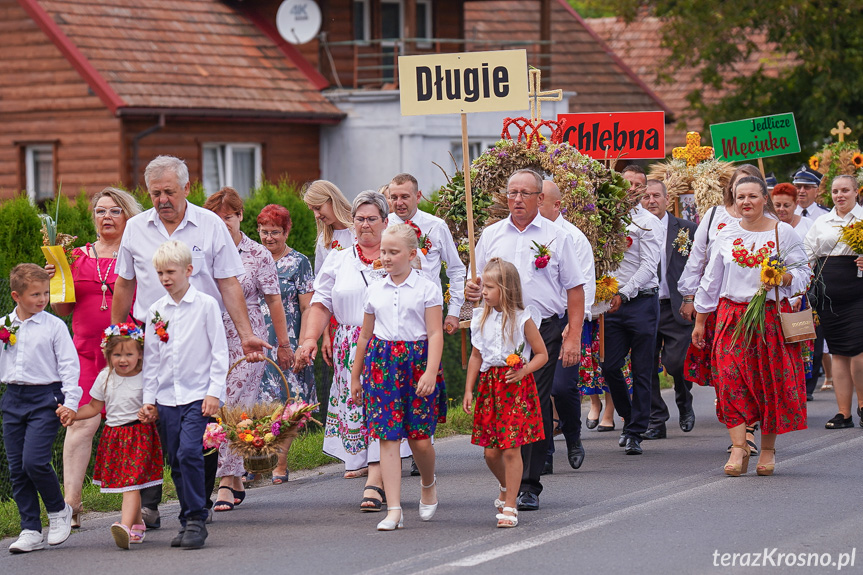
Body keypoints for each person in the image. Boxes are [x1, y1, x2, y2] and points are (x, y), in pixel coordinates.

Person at [112, 155, 268, 528]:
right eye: (154, 193)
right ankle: (152, 503)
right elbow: (124, 283)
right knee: (154, 417)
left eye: (168, 191)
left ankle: (197, 498)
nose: (162, 199)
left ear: (186, 188)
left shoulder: (210, 224)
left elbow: (229, 281)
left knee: (203, 415)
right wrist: (117, 335)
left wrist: (246, 334)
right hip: (154, 337)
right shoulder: (135, 228)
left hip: (202, 333)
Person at [465, 169, 586, 511]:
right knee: (503, 406)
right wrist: (471, 290)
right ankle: (509, 480)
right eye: (512, 193)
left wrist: (573, 334)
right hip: (499, 330)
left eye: (525, 193)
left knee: (533, 400)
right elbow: (476, 283)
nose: (517, 199)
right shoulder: (490, 234)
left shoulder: (557, 236)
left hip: (539, 327)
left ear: (539, 198)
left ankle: (529, 484)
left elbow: (575, 289)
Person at [296, 191, 411, 510]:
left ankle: (375, 482)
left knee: (383, 412)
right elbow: (320, 304)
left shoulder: (399, 256)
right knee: (361, 413)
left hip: (389, 345)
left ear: (385, 222)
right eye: (359, 219)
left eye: (372, 219)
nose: (364, 225)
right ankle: (382, 476)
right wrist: (309, 339)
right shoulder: (338, 259)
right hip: (350, 349)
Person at [692, 176, 809, 476]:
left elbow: (804, 274)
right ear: (733, 199)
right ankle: (739, 447)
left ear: (764, 198)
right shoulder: (726, 234)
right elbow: (711, 280)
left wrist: (782, 279)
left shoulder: (783, 233)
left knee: (769, 383)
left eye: (752, 196)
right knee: (729, 379)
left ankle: (767, 450)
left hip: (769, 316)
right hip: (731, 315)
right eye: (740, 196)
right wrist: (701, 320)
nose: (746, 202)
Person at [47, 186, 142, 529]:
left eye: (115, 211)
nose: (107, 217)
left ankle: (139, 506)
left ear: (128, 216)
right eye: (101, 211)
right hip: (85, 353)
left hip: (129, 354)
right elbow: (62, 308)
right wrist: (56, 278)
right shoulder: (75, 256)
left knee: (134, 425)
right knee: (81, 423)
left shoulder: (138, 254)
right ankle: (71, 504)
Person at [350, 224, 445, 531]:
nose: (386, 258)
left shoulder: (426, 288)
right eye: (384, 252)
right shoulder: (374, 288)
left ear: (412, 254)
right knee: (386, 438)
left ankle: (428, 483)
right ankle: (394, 509)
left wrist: (431, 370)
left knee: (419, 440)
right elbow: (364, 337)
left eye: (393, 252)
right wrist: (356, 377)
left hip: (417, 363)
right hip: (382, 364)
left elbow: (434, 332)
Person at [202, 188, 290, 510]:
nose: (222, 223)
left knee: (234, 404)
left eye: (228, 216)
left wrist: (283, 345)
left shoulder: (258, 254)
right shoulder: (203, 252)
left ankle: (225, 481)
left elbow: (274, 299)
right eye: (216, 218)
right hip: (210, 333)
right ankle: (236, 477)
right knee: (215, 402)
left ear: (239, 216)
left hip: (248, 335)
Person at [140, 240, 228, 549]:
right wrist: (148, 399)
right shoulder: (156, 311)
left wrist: (214, 392)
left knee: (191, 452)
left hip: (198, 396)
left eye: (171, 272)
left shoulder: (205, 305)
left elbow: (220, 352)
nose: (165, 278)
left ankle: (195, 519)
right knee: (176, 460)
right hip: (167, 399)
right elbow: (151, 359)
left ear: (188, 270)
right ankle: (186, 518)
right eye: (160, 273)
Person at [463, 258, 547, 528]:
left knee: (512, 449)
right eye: (483, 286)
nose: (483, 292)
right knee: (490, 452)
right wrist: (468, 389)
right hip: (490, 387)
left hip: (515, 386)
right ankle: (505, 484)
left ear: (506, 288)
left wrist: (524, 370)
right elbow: (476, 356)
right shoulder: (480, 318)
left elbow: (542, 354)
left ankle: (510, 504)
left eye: (489, 287)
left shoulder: (523, 318)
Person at [1, 264, 80, 553]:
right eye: (35, 294)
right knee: (17, 468)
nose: (42, 299)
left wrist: (70, 402)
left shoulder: (54, 326)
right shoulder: (4, 326)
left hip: (46, 398)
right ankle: (30, 529)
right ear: (16, 296)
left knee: (34, 461)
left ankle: (59, 511)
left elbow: (70, 367)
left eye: (45, 293)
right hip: (13, 399)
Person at [73, 322, 162, 549]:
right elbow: (93, 407)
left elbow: (158, 407)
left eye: (129, 354)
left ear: (140, 353)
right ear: (108, 354)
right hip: (114, 436)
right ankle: (138, 524)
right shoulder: (105, 377)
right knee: (129, 482)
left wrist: (151, 412)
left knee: (131, 484)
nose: (123, 360)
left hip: (139, 435)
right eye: (117, 355)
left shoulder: (147, 377)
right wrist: (73, 414)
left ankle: (123, 525)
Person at [602, 165, 662, 455]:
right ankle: (628, 416)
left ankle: (636, 431)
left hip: (641, 302)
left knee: (642, 368)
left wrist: (625, 293)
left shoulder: (649, 222)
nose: (634, 189)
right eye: (629, 183)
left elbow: (650, 265)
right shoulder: (604, 218)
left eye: (640, 185)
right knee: (609, 366)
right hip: (611, 302)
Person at [537, 180, 594, 470]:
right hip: (534, 323)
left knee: (561, 386)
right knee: (538, 390)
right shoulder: (520, 235)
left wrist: (573, 328)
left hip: (567, 319)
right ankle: (544, 452)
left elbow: (586, 287)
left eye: (540, 198)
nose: (532, 202)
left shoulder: (573, 237)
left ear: (556, 204)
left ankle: (573, 436)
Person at [257, 204, 316, 483]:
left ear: (286, 231)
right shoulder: (251, 260)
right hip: (258, 341)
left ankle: (280, 462)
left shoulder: (299, 263)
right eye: (264, 232)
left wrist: (304, 343)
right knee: (260, 402)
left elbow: (308, 308)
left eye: (275, 232)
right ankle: (257, 460)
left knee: (289, 402)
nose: (269, 238)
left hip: (288, 340)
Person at [640, 179, 698, 438]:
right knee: (645, 366)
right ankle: (656, 419)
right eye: (646, 196)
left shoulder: (686, 229)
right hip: (645, 306)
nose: (651, 201)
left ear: (666, 199)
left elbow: (699, 266)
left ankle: (684, 400)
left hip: (676, 306)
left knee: (677, 363)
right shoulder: (633, 228)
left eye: (656, 196)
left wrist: (691, 298)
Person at [804, 175, 863, 428]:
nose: (840, 195)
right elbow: (807, 253)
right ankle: (843, 413)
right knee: (838, 352)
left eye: (845, 190)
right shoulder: (821, 222)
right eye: (836, 191)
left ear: (856, 192)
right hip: (829, 297)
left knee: (859, 351)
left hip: (859, 292)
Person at [386, 173, 467, 335]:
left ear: (418, 196)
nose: (399, 203)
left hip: (427, 308)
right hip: (389, 309)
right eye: (394, 197)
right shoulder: (383, 224)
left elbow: (456, 269)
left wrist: (454, 312)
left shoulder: (436, 226)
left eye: (404, 197)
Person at [304, 180, 355, 275]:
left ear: (332, 200)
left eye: (318, 208)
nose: (316, 215)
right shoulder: (324, 240)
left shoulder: (361, 227)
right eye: (313, 210)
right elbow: (321, 278)